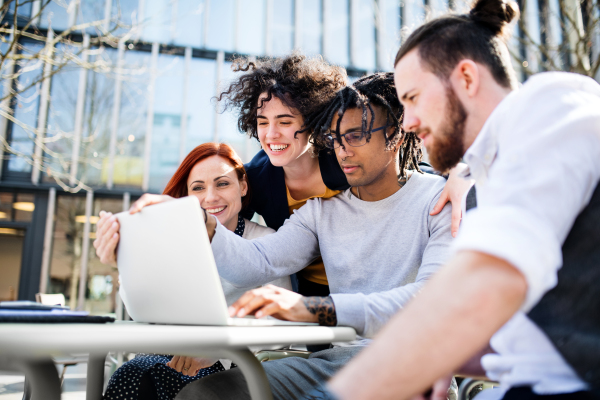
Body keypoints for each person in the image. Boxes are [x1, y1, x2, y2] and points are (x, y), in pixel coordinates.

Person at [321, 0, 600, 399]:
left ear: (467, 78)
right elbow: (534, 332)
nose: (408, 122)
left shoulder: (550, 103)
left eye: (413, 98)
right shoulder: (483, 182)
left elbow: (490, 280)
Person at [172, 73, 455, 400]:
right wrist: (202, 223)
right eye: (336, 138)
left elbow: (429, 301)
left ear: (395, 132)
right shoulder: (322, 211)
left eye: (356, 135)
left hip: (413, 363)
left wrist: (313, 308)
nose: (342, 150)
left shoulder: (442, 198)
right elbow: (258, 262)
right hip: (335, 361)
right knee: (206, 394)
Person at [218, 54, 469, 298]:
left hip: (368, 293)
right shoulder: (262, 183)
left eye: (285, 122)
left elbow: (405, 170)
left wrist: (457, 172)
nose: (271, 134)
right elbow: (249, 254)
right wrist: (201, 224)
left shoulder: (344, 156)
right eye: (263, 123)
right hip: (315, 287)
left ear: (313, 122)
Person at [97, 143, 292, 400]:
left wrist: (217, 349)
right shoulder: (172, 241)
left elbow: (280, 325)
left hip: (241, 360)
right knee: (130, 377)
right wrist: (123, 262)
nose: (210, 197)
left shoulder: (266, 242)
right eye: (198, 187)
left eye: (222, 183)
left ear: (243, 186)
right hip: (176, 354)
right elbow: (143, 312)